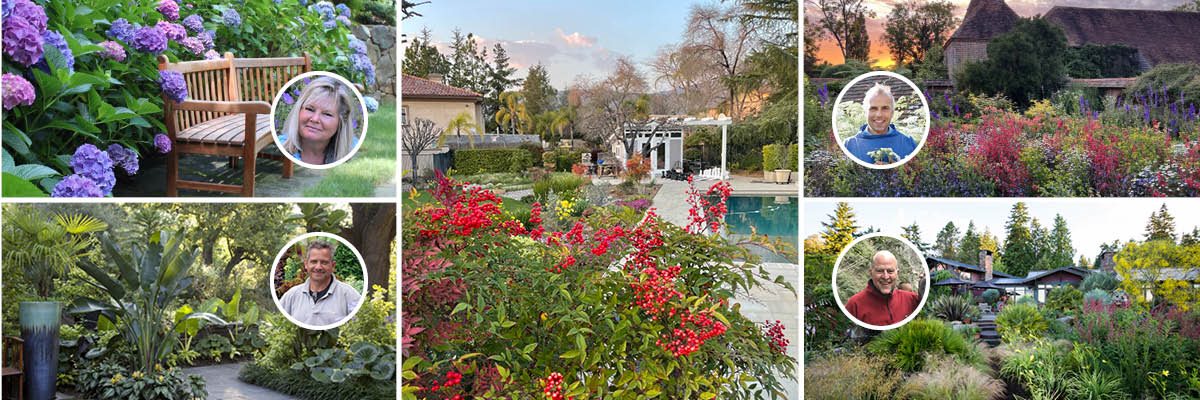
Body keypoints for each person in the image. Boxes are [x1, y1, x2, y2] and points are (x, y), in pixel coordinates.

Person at [279, 77, 360, 165]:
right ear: (298, 110)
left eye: (327, 114)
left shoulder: (354, 151)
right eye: (310, 109)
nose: (315, 119)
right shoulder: (279, 146)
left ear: (341, 122)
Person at [279, 240, 362, 327]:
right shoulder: (291, 296)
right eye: (314, 262)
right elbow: (278, 325)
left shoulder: (349, 295)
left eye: (324, 262)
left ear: (333, 266)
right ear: (306, 264)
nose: (318, 267)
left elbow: (360, 329)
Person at [842, 83, 918, 165]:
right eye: (873, 108)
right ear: (865, 112)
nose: (879, 115)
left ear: (892, 112)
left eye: (885, 108)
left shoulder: (908, 143)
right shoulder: (849, 145)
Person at [845, 250, 920, 326]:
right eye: (880, 271)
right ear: (871, 273)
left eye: (890, 271)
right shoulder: (854, 305)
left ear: (897, 273)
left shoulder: (912, 300)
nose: (885, 276)